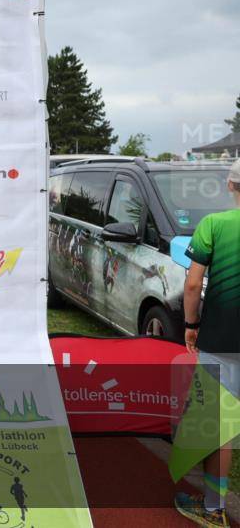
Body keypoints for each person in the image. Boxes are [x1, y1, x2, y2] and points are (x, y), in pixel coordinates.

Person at [174, 158, 240, 528]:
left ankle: (214, 509)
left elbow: (192, 284)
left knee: (220, 427)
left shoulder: (213, 225)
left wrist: (190, 325)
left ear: (230, 185)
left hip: (222, 339)